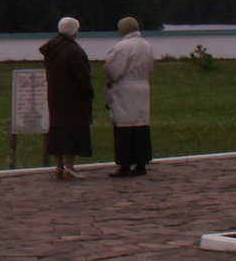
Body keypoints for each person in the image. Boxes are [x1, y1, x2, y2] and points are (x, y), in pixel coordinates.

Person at [40, 16, 93, 180]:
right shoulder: (74, 51)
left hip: (55, 95)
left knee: (57, 129)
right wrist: (89, 92)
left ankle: (58, 166)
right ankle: (69, 167)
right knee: (72, 131)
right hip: (73, 97)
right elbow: (82, 76)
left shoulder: (51, 48)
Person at [103, 16, 155, 177]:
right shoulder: (146, 45)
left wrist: (111, 80)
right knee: (141, 125)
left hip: (125, 88)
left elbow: (113, 69)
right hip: (142, 86)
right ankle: (141, 162)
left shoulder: (122, 47)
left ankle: (125, 163)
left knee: (124, 126)